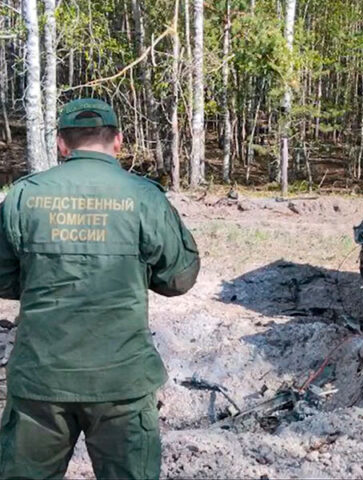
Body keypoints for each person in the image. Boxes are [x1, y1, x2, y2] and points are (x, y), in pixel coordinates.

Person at [0, 98, 200, 479]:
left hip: (41, 382)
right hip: (121, 383)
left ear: (61, 144)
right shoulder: (143, 198)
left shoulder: (24, 196)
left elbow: (3, 276)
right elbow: (179, 277)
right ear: (118, 141)